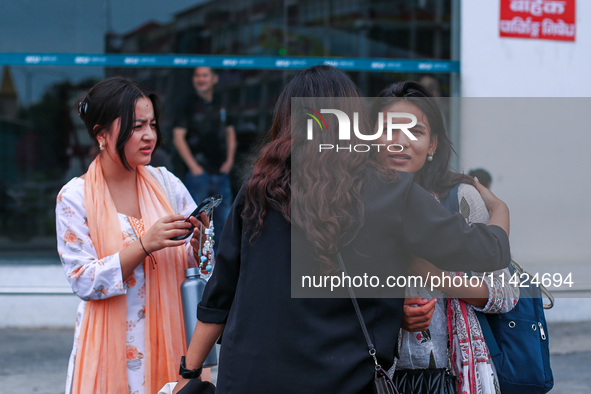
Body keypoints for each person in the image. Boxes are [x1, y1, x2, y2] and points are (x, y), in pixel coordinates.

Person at [173, 65, 511, 394]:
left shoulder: (257, 190)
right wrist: (500, 210)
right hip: (340, 380)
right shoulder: (392, 192)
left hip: (249, 379)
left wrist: (189, 372)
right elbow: (490, 251)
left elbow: (219, 297)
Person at [56, 77, 209, 394]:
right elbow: (82, 279)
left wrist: (200, 244)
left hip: (173, 340)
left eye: (152, 124)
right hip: (112, 350)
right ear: (101, 134)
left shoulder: (167, 184)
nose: (149, 136)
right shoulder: (75, 197)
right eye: (136, 126)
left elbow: (202, 268)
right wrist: (143, 245)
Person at [371, 81, 518, 393]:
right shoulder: (351, 203)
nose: (401, 143)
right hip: (381, 377)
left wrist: (436, 277)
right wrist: (395, 314)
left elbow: (506, 292)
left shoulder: (461, 198)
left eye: (416, 132)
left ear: (433, 143)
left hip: (458, 376)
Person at [173, 67, 236, 250]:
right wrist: (194, 167)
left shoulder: (222, 103)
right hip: (198, 176)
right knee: (193, 224)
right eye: (197, 75)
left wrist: (230, 161)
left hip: (221, 174)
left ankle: (221, 267)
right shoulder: (186, 104)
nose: (201, 79)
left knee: (225, 224)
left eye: (205, 75)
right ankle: (197, 264)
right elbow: (178, 137)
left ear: (214, 79)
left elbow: (230, 133)